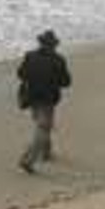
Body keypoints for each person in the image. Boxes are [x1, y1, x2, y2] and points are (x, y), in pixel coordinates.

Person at [16, 29, 71, 173]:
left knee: (42, 125)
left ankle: (46, 154)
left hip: (31, 97)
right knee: (43, 129)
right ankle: (27, 160)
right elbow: (66, 82)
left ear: (40, 43)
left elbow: (20, 74)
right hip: (48, 100)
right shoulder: (58, 60)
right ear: (53, 45)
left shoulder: (30, 56)